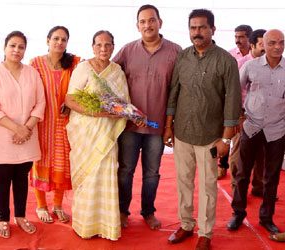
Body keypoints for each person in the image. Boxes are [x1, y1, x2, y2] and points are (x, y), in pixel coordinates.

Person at [164, 9, 241, 250]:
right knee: (183, 181)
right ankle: (186, 225)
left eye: (202, 27)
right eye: (193, 28)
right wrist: (169, 127)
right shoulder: (183, 57)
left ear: (213, 30)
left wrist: (226, 140)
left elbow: (233, 100)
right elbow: (174, 92)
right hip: (183, 133)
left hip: (211, 137)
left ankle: (205, 233)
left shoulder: (225, 61)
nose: (197, 32)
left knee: (208, 185)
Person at [112, 4, 181, 229]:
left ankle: (148, 211)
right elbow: (107, 75)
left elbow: (179, 90)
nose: (147, 25)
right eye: (142, 22)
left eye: (151, 20)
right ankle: (122, 211)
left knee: (152, 173)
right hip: (130, 127)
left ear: (160, 22)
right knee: (125, 170)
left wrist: (171, 126)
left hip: (158, 127)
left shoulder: (175, 52)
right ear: (137, 26)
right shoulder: (127, 51)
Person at [65, 30, 129, 241]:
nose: (103, 49)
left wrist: (117, 111)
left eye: (108, 45)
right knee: (88, 177)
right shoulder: (82, 68)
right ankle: (85, 225)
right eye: (99, 45)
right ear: (92, 47)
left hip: (107, 133)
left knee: (106, 174)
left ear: (113, 47)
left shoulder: (117, 71)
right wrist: (95, 112)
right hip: (86, 131)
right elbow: (70, 100)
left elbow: (123, 102)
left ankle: (107, 225)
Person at [0, 31, 45, 238]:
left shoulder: (32, 73)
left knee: (21, 178)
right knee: (3, 178)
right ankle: (3, 218)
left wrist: (26, 128)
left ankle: (20, 216)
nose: (17, 50)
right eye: (13, 46)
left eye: (21, 47)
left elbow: (40, 103)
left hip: (27, 135)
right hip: (4, 137)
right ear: (5, 47)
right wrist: (17, 129)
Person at [227, 29, 285, 235]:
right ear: (263, 44)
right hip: (251, 127)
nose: (277, 47)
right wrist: (239, 118)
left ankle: (266, 217)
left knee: (272, 177)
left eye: (281, 42)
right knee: (243, 173)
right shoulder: (250, 66)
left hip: (277, 129)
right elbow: (236, 91)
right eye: (272, 43)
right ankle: (238, 213)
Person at [30, 26, 80, 224]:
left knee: (62, 162)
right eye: (56, 38)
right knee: (40, 162)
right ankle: (41, 205)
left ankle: (58, 205)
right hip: (41, 123)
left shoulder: (74, 63)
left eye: (64, 39)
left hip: (64, 123)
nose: (59, 43)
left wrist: (72, 105)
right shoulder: (36, 64)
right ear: (47, 40)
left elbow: (84, 85)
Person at [230, 29, 267, 196]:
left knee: (262, 153)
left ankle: (259, 187)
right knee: (240, 153)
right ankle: (237, 186)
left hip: (266, 117)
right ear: (252, 45)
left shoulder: (271, 64)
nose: (267, 48)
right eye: (262, 45)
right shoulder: (241, 63)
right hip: (244, 114)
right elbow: (233, 91)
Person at [218, 24, 253, 179]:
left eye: (241, 37)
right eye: (236, 36)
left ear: (249, 38)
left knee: (239, 141)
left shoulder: (257, 56)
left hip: (249, 106)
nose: (237, 40)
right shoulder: (230, 55)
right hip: (230, 103)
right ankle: (221, 166)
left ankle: (236, 175)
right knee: (224, 135)